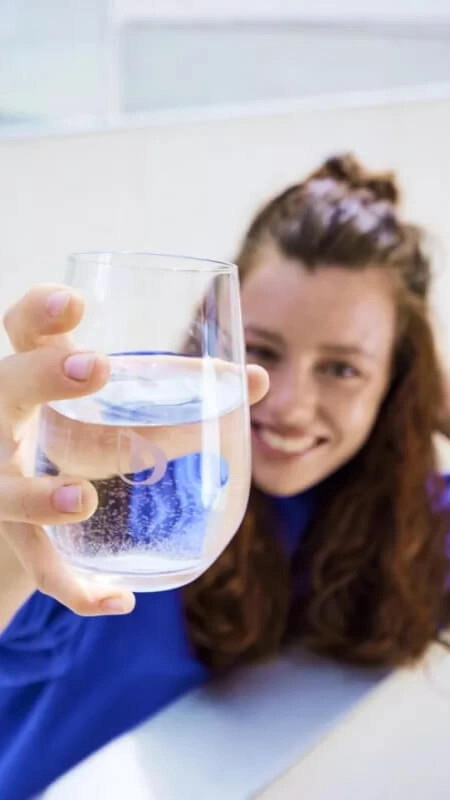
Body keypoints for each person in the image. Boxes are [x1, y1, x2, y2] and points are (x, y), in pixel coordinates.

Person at [1, 154, 449, 799]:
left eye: (342, 368)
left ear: (398, 384)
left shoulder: (411, 527)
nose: (290, 403)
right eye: (262, 352)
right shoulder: (131, 504)